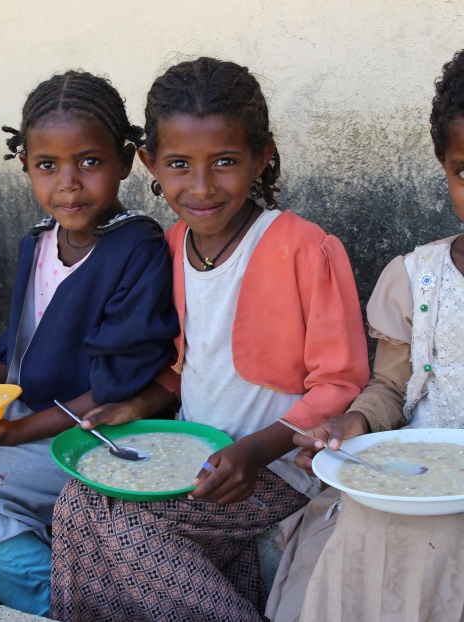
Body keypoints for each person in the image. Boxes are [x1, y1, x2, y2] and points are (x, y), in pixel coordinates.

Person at [50, 57, 370, 622]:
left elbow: (340, 381)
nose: (201, 187)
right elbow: (184, 364)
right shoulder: (172, 246)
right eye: (179, 164)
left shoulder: (305, 247)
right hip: (195, 457)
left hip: (278, 470)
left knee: (116, 522)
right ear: (148, 162)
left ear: (261, 156)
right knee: (76, 501)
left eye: (224, 162)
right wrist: (139, 403)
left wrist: (257, 449)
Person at [0, 70, 179, 617]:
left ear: (125, 162)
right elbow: (19, 357)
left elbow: (111, 393)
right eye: (47, 165)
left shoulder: (136, 250)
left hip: (100, 435)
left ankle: (58, 603)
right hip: (33, 417)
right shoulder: (37, 243)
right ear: (26, 166)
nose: (68, 182)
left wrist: (9, 434)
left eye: (90, 161)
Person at [266, 49, 464, 622]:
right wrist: (354, 422)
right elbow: (392, 388)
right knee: (364, 531)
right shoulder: (418, 279)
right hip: (415, 483)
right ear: (443, 163)